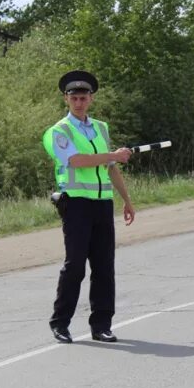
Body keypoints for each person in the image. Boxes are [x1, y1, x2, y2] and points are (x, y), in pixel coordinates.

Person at [42, 70, 135, 343]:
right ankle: (60, 322)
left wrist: (127, 200)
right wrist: (113, 155)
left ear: (91, 99)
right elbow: (77, 161)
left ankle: (101, 324)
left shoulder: (101, 128)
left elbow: (111, 168)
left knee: (104, 266)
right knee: (75, 266)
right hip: (76, 205)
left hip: (102, 203)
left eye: (83, 98)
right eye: (74, 98)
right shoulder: (58, 131)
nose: (79, 102)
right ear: (66, 100)